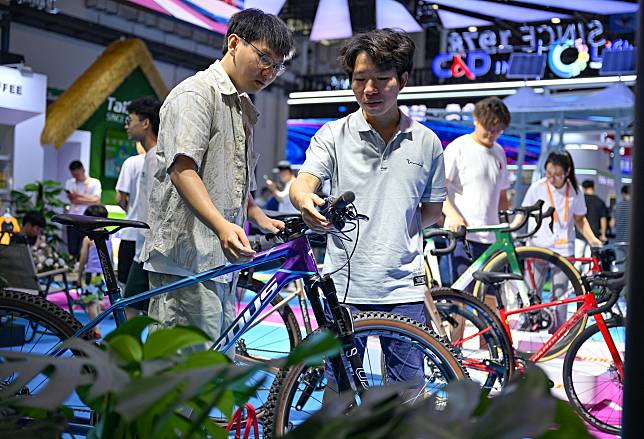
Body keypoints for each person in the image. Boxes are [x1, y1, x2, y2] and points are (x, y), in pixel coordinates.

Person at [289, 29, 446, 387]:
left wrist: (394, 229)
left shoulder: (427, 142)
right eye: (360, 79)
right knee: (340, 392)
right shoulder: (333, 134)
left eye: (382, 79)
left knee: (407, 396)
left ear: (403, 80)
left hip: (404, 290)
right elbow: (303, 182)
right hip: (343, 289)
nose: (370, 89)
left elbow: (433, 211)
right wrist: (305, 201)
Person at [139, 8, 292, 342]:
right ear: (234, 43)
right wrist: (222, 225)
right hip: (186, 260)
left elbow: (231, 179)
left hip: (216, 261)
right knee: (184, 377)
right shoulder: (196, 94)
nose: (269, 71)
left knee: (210, 370)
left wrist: (258, 215)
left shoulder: (241, 105)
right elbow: (183, 170)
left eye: (278, 65)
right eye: (264, 57)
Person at [515, 151, 602, 330]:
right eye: (548, 174)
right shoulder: (537, 187)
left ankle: (559, 329)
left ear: (567, 171)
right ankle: (531, 323)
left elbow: (580, 220)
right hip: (537, 247)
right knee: (532, 291)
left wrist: (593, 240)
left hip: (563, 250)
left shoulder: (575, 191)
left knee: (560, 294)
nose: (552, 179)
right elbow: (522, 213)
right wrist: (513, 230)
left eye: (557, 175)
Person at [442, 97, 511, 286]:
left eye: (498, 130)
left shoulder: (499, 152)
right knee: (461, 297)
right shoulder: (459, 147)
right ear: (476, 120)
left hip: (492, 238)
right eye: (489, 128)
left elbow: (503, 196)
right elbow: (438, 189)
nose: (492, 134)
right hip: (463, 236)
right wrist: (453, 216)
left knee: (491, 296)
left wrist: (507, 225)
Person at [119, 96, 162, 317]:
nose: (127, 125)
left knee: (133, 309)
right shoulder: (149, 158)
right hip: (144, 246)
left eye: (131, 120)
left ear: (145, 123)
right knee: (137, 309)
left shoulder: (156, 158)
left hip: (151, 249)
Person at [77, 204, 113, 339]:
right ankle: (96, 327)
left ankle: (96, 329)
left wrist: (79, 275)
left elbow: (83, 258)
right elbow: (110, 258)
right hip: (103, 275)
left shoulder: (88, 238)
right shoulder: (107, 236)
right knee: (96, 301)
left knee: (90, 303)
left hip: (91, 274)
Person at [65, 161, 102, 258]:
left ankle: (84, 265)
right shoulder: (70, 182)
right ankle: (74, 264)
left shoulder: (94, 182)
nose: (76, 176)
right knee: (72, 245)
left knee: (85, 244)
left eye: (77, 173)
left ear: (83, 170)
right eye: (73, 174)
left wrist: (79, 196)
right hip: (72, 218)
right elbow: (73, 200)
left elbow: (96, 200)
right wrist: (88, 199)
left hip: (87, 218)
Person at [575, 179, 608, 259]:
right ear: (593, 187)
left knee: (577, 259)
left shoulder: (579, 200)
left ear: (583, 188)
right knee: (590, 260)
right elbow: (603, 219)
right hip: (594, 234)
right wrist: (603, 234)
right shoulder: (599, 201)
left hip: (579, 233)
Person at [611, 184, 631, 270]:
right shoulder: (636, 206)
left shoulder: (617, 206)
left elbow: (612, 224)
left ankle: (621, 283)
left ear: (623, 193)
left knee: (620, 268)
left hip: (619, 241)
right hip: (631, 242)